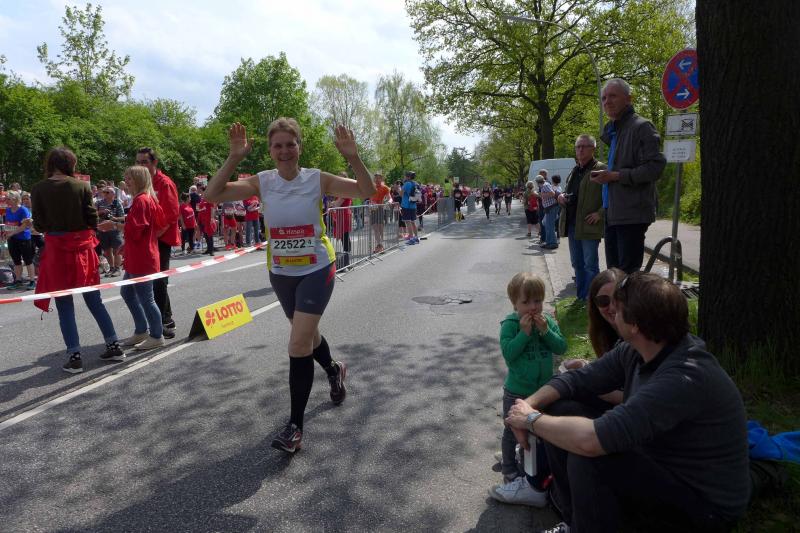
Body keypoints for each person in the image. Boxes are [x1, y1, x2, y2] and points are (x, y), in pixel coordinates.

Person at [506, 272, 750, 533]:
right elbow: (577, 379)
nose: (611, 311)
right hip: (660, 464)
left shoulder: (683, 377)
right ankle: (573, 521)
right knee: (560, 406)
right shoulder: (640, 348)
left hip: (703, 507)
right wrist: (527, 406)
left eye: (617, 307)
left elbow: (590, 441)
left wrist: (531, 420)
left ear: (634, 324)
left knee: (588, 458)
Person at [204, 118, 376, 453]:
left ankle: (295, 427)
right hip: (282, 272)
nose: (284, 151)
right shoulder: (262, 181)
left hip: (317, 268)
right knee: (308, 336)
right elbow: (212, 194)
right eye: (277, 145)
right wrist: (234, 157)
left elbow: (365, 191)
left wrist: (353, 157)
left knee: (297, 343)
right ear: (270, 150)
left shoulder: (317, 178)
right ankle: (334, 369)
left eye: (290, 144)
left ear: (300, 147)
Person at [31, 147, 123, 373]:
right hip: (82, 249)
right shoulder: (81, 186)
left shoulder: (38, 188)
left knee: (65, 306)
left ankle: (74, 357)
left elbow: (39, 224)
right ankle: (113, 346)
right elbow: (91, 219)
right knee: (95, 301)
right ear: (69, 164)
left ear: (50, 164)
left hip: (57, 250)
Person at [489, 272, 567, 506]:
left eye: (538, 301)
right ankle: (509, 468)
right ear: (514, 303)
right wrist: (524, 334)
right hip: (517, 390)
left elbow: (561, 347)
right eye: (526, 302)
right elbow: (509, 354)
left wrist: (546, 331)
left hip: (543, 391)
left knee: (535, 432)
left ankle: (529, 467)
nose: (533, 307)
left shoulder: (547, 322)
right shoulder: (510, 325)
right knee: (511, 431)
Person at [590, 78, 666, 274]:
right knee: (613, 275)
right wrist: (606, 176)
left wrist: (615, 176)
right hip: (613, 214)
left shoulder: (642, 127)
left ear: (628, 99)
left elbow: (655, 168)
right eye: (604, 98)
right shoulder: (615, 130)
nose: (607, 101)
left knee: (627, 278)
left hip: (631, 215)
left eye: (613, 96)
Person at [99, 166, 164, 351]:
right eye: (126, 178)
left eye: (129, 178)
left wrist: (113, 225)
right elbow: (144, 229)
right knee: (128, 293)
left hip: (142, 257)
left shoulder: (142, 200)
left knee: (146, 298)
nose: (126, 182)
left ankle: (156, 335)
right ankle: (142, 330)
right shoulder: (144, 199)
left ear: (138, 180)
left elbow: (136, 230)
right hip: (138, 255)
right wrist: (126, 244)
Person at [135, 147, 180, 338]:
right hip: (149, 239)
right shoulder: (144, 183)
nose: (141, 166)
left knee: (159, 281)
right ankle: (161, 321)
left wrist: (152, 238)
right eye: (138, 162)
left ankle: (165, 322)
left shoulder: (164, 183)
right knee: (151, 282)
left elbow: (170, 216)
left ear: (154, 163)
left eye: (144, 162)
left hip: (161, 239)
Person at [557, 135, 606, 301]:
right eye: (578, 146)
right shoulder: (574, 170)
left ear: (593, 149)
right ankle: (581, 298)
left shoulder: (601, 169)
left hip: (588, 225)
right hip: (572, 224)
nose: (580, 149)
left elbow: (611, 196)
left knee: (590, 265)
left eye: (585, 146)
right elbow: (568, 191)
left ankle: (592, 300)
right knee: (577, 263)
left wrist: (600, 213)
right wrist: (561, 196)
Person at [3, 191, 36, 290]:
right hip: (12, 239)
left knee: (28, 260)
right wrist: (5, 232)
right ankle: (18, 281)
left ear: (15, 199)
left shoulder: (23, 210)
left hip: (24, 238)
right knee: (16, 261)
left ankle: (32, 281)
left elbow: (24, 226)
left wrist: (12, 233)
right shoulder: (8, 210)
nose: (6, 201)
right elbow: (8, 223)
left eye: (8, 199)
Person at [96, 186, 125, 277]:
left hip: (114, 229)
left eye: (107, 192)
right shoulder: (99, 203)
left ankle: (117, 268)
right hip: (102, 229)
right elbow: (93, 215)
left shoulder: (117, 203)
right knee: (107, 250)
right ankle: (111, 268)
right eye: (104, 192)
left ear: (113, 194)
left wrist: (114, 218)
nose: (105, 194)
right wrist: (101, 212)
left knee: (117, 250)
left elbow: (123, 217)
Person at [369, 173, 391, 253]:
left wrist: (389, 202)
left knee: (380, 228)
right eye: (376, 178)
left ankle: (381, 245)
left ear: (381, 179)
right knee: (375, 228)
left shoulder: (385, 188)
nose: (377, 180)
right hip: (372, 209)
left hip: (380, 209)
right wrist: (371, 203)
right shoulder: (371, 187)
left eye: (379, 178)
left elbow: (389, 198)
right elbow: (369, 197)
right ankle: (379, 245)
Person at [401, 170, 420, 245]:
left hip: (406, 205)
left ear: (408, 177)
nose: (404, 177)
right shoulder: (415, 183)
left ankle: (411, 238)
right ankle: (416, 238)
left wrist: (398, 188)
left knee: (408, 222)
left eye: (405, 176)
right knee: (413, 222)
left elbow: (401, 194)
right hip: (413, 205)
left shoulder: (406, 184)